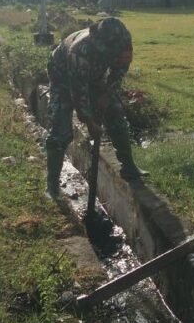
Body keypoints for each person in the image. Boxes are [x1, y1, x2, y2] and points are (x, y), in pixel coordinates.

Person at [45, 17, 147, 195]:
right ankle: (52, 184)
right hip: (62, 78)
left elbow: (120, 70)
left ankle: (129, 167)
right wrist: (90, 122)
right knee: (60, 130)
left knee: (115, 114)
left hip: (95, 77)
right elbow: (78, 90)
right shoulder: (80, 50)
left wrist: (106, 94)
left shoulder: (123, 40)